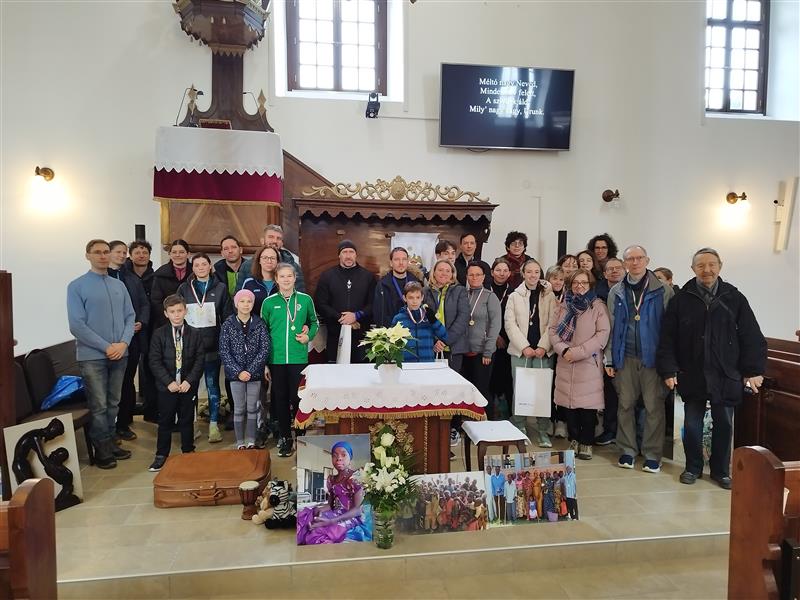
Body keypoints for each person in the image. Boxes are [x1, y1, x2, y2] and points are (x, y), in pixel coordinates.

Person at [657, 247, 767, 489]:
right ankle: (692, 467)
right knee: (692, 425)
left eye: (711, 265)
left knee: (724, 424)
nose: (706, 270)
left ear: (720, 266)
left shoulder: (734, 298)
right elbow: (667, 338)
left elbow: (751, 335)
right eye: (701, 265)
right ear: (693, 269)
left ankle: (720, 470)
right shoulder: (681, 299)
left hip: (725, 373)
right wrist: (668, 369)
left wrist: (753, 370)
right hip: (691, 372)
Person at [67, 239, 135, 469]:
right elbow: (77, 325)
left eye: (106, 252)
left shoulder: (119, 285)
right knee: (99, 406)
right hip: (92, 356)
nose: (103, 256)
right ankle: (102, 450)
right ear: (88, 256)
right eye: (97, 252)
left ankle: (111, 442)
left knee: (114, 402)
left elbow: (130, 316)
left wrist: (123, 343)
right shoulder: (77, 286)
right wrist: (106, 347)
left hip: (120, 353)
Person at [605, 245, 674, 473]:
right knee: (625, 405)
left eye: (639, 258)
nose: (635, 262)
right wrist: (609, 359)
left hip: (652, 359)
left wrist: (669, 364)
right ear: (624, 263)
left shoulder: (663, 290)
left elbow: (670, 330)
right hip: (625, 356)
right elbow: (611, 327)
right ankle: (627, 450)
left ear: (647, 260)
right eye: (630, 259)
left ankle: (653, 454)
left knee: (654, 407)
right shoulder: (616, 291)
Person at [549, 268, 610, 461]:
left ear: (590, 285)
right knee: (569, 406)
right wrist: (563, 350)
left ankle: (586, 442)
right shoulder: (563, 305)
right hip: (565, 360)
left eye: (583, 282)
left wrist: (578, 352)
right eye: (575, 283)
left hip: (588, 362)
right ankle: (574, 439)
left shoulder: (597, 306)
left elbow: (602, 334)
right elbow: (552, 331)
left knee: (588, 408)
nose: (579, 286)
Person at [262, 263, 319, 457]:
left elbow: (314, 322)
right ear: (276, 279)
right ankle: (285, 438)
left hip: (298, 358)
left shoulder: (305, 299)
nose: (286, 280)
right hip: (276, 359)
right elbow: (263, 333)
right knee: (280, 399)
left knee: (298, 398)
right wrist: (265, 363)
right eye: (282, 276)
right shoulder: (268, 303)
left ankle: (301, 437)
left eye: (289, 276)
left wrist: (308, 336)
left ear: (295, 278)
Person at [177, 253, 232, 443]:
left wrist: (225, 342)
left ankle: (213, 425)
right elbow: (178, 316)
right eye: (197, 265)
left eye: (204, 264)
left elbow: (227, 317)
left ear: (210, 266)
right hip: (190, 348)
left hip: (212, 347)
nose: (200, 267)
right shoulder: (184, 288)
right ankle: (192, 425)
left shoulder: (221, 288)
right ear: (192, 268)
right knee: (190, 387)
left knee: (212, 385)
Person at [147, 294, 205, 472]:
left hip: (187, 385)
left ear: (185, 311)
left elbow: (199, 360)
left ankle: (188, 450)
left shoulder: (195, 334)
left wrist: (189, 380)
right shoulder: (159, 334)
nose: (176, 314)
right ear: (166, 313)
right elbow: (154, 361)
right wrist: (168, 382)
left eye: (179, 310)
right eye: (172, 311)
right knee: (165, 420)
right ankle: (161, 455)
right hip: (167, 387)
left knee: (186, 419)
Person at [504, 258, 555, 444]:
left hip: (543, 351)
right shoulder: (514, 296)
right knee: (520, 390)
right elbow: (510, 324)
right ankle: (520, 426)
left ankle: (542, 430)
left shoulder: (549, 295)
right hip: (521, 351)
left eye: (536, 272)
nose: (533, 275)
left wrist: (543, 346)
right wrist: (524, 346)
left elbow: (553, 323)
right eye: (529, 271)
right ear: (523, 274)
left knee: (542, 391)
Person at [107, 240, 150, 442]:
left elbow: (144, 303)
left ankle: (124, 423)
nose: (122, 255)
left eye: (124, 252)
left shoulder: (132, 279)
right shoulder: (102, 277)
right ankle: (108, 428)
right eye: (118, 252)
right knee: (109, 385)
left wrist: (141, 321)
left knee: (127, 382)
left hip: (131, 338)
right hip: (108, 340)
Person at [218, 289, 271, 449]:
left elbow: (264, 349)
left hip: (254, 375)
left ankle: (251, 441)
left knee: (252, 408)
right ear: (236, 304)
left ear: (253, 304)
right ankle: (240, 442)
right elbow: (224, 351)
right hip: (236, 376)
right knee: (239, 409)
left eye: (249, 301)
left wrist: (252, 370)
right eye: (242, 301)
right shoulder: (228, 324)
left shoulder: (259, 324)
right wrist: (239, 371)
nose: (246, 304)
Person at [314, 240, 376, 363]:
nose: (348, 256)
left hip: (361, 335)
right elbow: (320, 304)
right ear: (339, 255)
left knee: (360, 371)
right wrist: (341, 318)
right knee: (336, 371)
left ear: (356, 255)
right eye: (344, 252)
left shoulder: (368, 277)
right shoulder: (327, 276)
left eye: (351, 252)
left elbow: (373, 304)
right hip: (335, 335)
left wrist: (356, 316)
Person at [296, 441, 369, 544]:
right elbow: (331, 505)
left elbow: (357, 510)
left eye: (343, 455)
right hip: (338, 512)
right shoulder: (331, 480)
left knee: (318, 532)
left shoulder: (356, 478)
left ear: (350, 458)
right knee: (304, 517)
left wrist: (332, 521)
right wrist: (318, 510)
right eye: (335, 455)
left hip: (352, 516)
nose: (339, 458)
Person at [124, 240, 157, 423]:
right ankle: (126, 414)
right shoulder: (123, 275)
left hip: (149, 328)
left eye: (145, 252)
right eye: (137, 252)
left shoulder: (155, 275)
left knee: (151, 370)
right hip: (127, 329)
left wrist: (143, 321)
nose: (141, 255)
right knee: (127, 373)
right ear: (130, 255)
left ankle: (151, 410)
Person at [594, 257, 626, 446]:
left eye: (618, 268)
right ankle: (610, 430)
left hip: (628, 347)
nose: (614, 271)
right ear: (604, 273)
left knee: (630, 396)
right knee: (610, 393)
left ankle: (629, 435)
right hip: (604, 347)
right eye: (610, 269)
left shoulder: (633, 290)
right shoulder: (597, 294)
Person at [460, 263, 502, 405]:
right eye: (471, 274)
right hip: (464, 351)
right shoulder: (462, 295)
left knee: (481, 391)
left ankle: (486, 418)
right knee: (466, 392)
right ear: (466, 277)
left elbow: (495, 326)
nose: (474, 277)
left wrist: (488, 351)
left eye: (478, 274)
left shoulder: (490, 297)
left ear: (484, 277)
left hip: (482, 352)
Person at [423, 259, 470, 370]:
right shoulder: (425, 292)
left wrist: (445, 340)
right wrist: (435, 341)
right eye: (440, 270)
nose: (444, 273)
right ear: (434, 272)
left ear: (452, 274)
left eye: (448, 271)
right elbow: (422, 320)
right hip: (431, 346)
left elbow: (463, 318)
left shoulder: (460, 291)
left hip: (453, 348)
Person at [236, 224, 304, 292]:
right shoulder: (246, 266)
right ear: (262, 241)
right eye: (271, 237)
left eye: (278, 238)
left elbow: (300, 294)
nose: (275, 241)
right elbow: (239, 294)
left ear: (282, 243)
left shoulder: (294, 267)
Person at [391, 281, 447, 362]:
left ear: (422, 298)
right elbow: (392, 344)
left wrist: (434, 321)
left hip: (427, 363)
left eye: (418, 297)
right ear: (404, 298)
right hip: (407, 364)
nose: (415, 301)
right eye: (411, 298)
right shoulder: (398, 319)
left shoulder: (428, 317)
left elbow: (445, 336)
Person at [488, 258, 514, 420]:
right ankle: (491, 411)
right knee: (490, 377)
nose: (501, 273)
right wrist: (495, 336)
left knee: (506, 376)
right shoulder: (485, 289)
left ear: (510, 273)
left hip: (508, 339)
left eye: (505, 270)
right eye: (498, 270)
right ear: (492, 272)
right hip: (489, 339)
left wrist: (504, 336)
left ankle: (506, 413)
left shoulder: (514, 292)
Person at [545, 266, 568, 438]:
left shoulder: (569, 296)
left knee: (562, 385)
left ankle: (561, 421)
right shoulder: (543, 295)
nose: (558, 282)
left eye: (561, 279)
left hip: (564, 346)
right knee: (548, 385)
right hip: (547, 346)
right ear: (548, 279)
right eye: (554, 278)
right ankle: (549, 420)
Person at [373, 247, 420, 328]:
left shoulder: (417, 283)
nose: (401, 263)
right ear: (391, 263)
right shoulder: (382, 285)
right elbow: (379, 314)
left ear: (407, 262)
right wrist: (393, 331)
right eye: (397, 259)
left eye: (404, 259)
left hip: (413, 329)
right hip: (391, 331)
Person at [150, 239, 192, 329]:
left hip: (192, 320)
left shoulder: (195, 273)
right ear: (169, 254)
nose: (177, 255)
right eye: (174, 252)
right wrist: (170, 319)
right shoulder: (160, 274)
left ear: (188, 254)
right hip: (166, 322)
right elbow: (156, 302)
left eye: (181, 252)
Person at [241, 244, 280, 316]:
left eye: (273, 258)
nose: (269, 261)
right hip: (255, 322)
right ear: (259, 260)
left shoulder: (283, 283)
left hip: (278, 322)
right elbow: (241, 308)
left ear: (277, 261)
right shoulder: (249, 283)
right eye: (265, 258)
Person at [214, 235, 245, 299]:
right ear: (222, 253)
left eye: (233, 247)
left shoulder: (252, 270)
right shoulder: (215, 276)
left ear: (240, 250)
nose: (230, 251)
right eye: (226, 249)